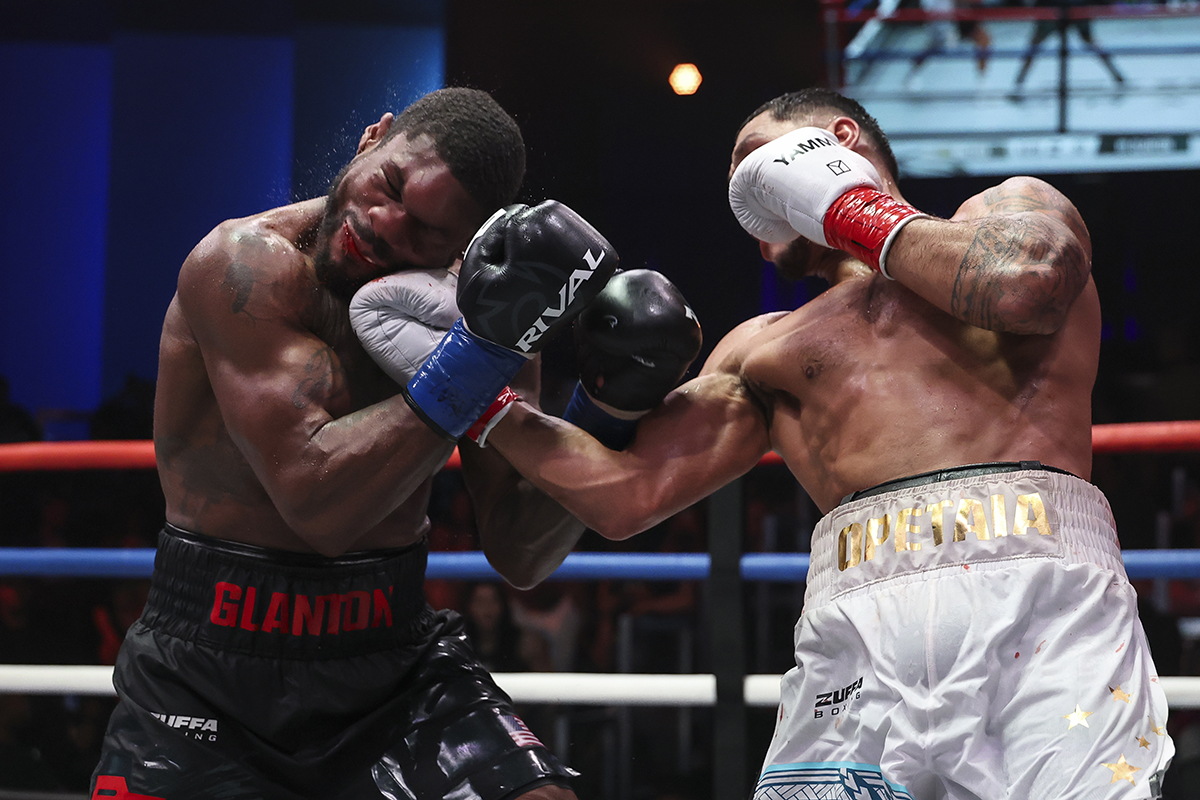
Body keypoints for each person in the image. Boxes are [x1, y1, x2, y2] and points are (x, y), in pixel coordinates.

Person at [482, 87, 1175, 798]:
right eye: (738, 194)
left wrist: (850, 210)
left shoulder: (1008, 211)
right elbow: (628, 498)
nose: (749, 197)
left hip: (1043, 603)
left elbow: (1028, 285)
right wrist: (474, 390)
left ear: (840, 139)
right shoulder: (763, 348)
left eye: (757, 164)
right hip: (856, 636)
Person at [91, 87, 627, 800]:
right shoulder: (243, 265)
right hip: (210, 669)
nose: (382, 225)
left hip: (391, 654)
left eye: (426, 232)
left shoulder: (485, 310)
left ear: (464, 246)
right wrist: (473, 361)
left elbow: (521, 550)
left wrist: (609, 407)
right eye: (391, 186)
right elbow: (318, 506)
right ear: (373, 138)